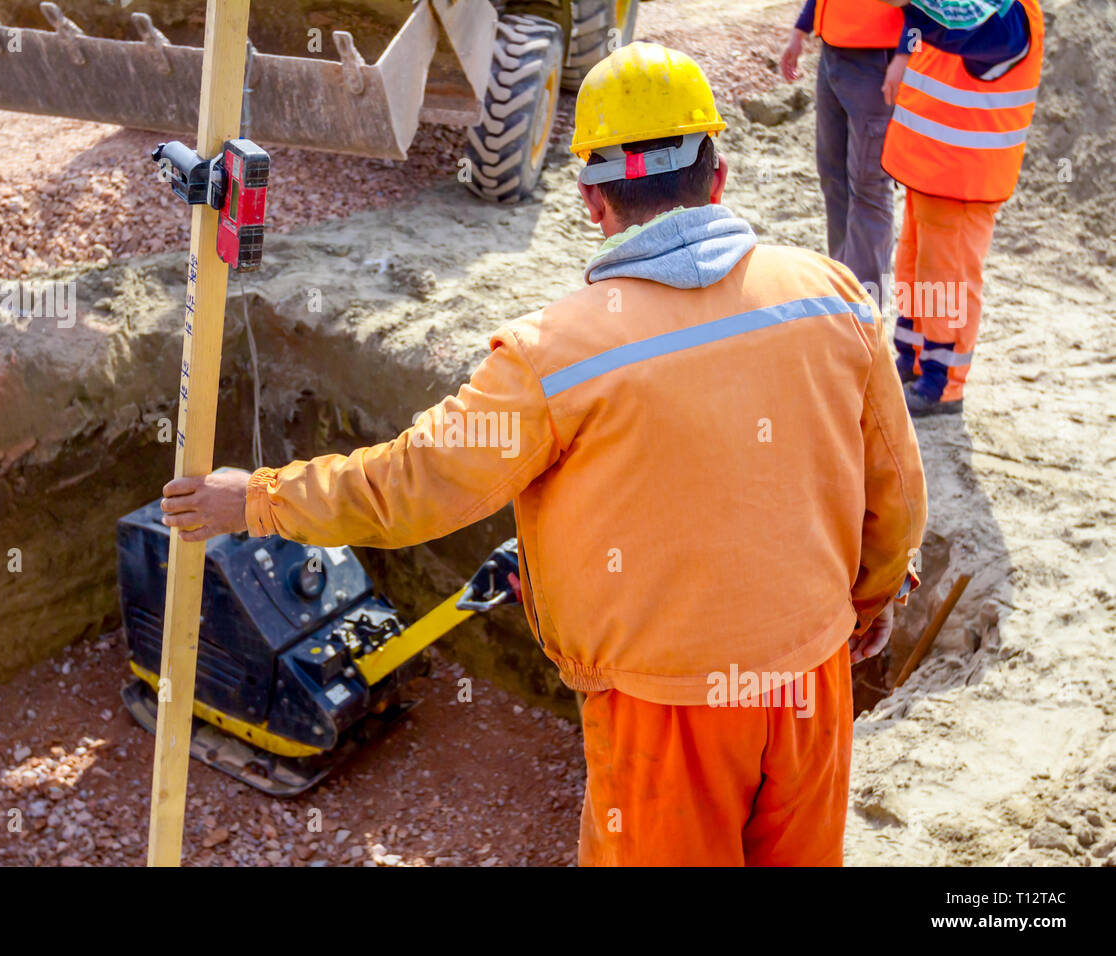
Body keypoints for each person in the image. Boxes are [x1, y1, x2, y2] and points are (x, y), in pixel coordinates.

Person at [160, 42, 927, 866]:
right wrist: (873, 601)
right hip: (812, 679)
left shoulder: (554, 357)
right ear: (720, 174)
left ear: (592, 200)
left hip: (663, 711)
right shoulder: (831, 294)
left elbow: (413, 485)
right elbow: (896, 490)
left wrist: (256, 499)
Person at [878, 0, 1044, 415]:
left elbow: (959, 30)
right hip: (933, 169)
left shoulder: (1010, 15)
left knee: (946, 278)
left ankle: (942, 382)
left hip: (963, 176)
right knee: (917, 269)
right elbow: (932, 23)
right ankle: (913, 360)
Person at [780, 0, 907, 294]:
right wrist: (800, 29)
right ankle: (843, 290)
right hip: (833, 54)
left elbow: (925, 6)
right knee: (833, 177)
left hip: (878, 61)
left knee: (869, 188)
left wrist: (904, 53)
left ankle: (866, 306)